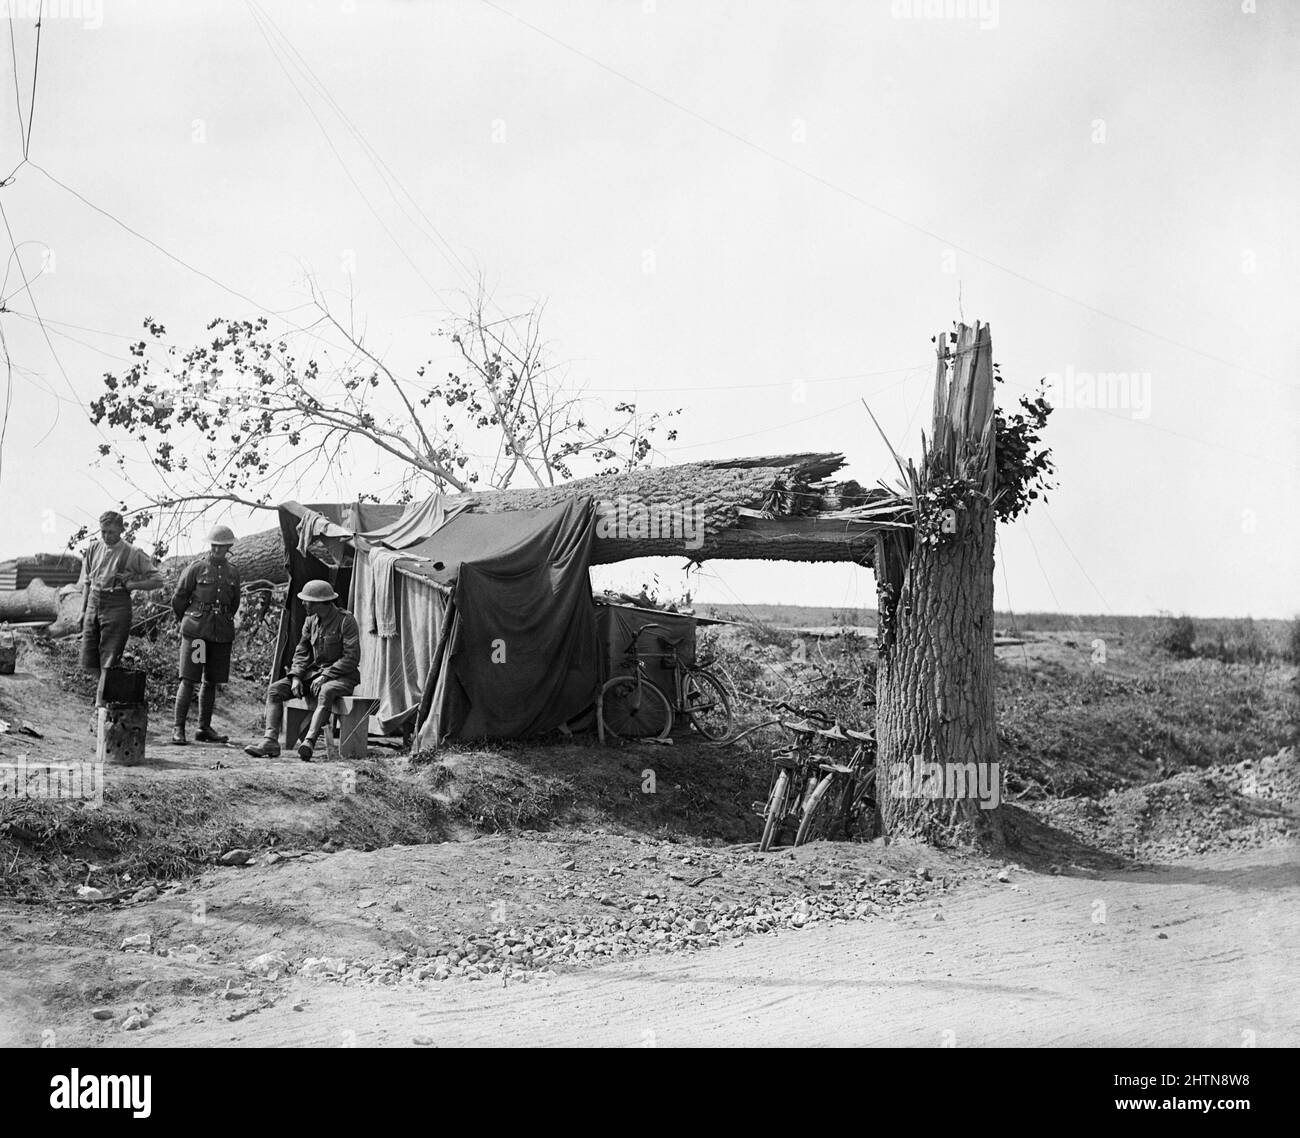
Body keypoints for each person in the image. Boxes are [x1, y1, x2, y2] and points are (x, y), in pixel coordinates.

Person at [244, 580, 360, 761]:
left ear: (320, 602)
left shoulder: (346, 621)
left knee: (326, 691)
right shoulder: (310, 621)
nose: (303, 603)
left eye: (307, 601)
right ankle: (270, 741)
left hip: (342, 677)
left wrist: (325, 675)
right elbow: (302, 651)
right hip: (313, 676)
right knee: (275, 690)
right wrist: (296, 677)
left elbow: (351, 658)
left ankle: (309, 742)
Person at [78, 511, 164, 698]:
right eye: (103, 532)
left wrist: (133, 585)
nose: (107, 536)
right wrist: (83, 611)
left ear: (121, 530)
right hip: (94, 602)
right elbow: (86, 582)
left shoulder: (132, 553)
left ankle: (101, 705)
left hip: (117, 606)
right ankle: (109, 694)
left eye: (111, 532)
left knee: (109, 659)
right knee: (88, 659)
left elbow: (158, 580)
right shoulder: (93, 548)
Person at [170, 525, 241, 745]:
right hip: (198, 634)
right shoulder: (197, 568)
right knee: (189, 679)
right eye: (214, 546)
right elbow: (179, 598)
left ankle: (203, 728)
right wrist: (188, 621)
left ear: (229, 547)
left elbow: (234, 602)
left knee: (211, 681)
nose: (218, 551)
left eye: (222, 547)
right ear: (210, 546)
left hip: (220, 635)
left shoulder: (233, 572)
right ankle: (178, 728)